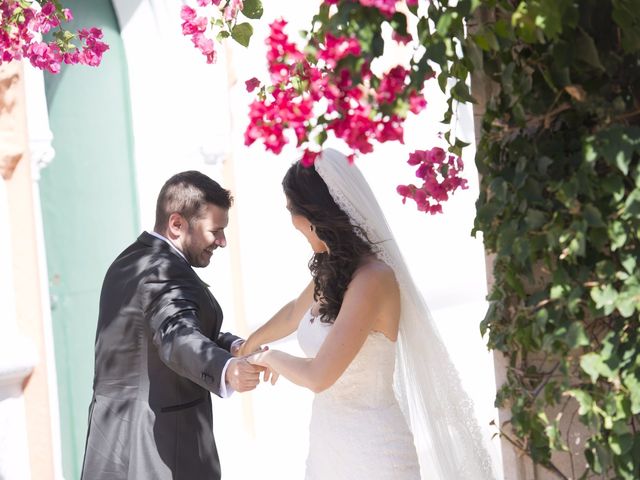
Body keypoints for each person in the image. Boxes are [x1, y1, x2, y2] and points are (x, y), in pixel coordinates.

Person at [241, 149, 495, 480]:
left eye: (291, 210)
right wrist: (250, 344)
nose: (290, 221)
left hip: (372, 454)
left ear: (314, 214)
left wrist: (269, 357)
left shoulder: (373, 279)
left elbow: (319, 375)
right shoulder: (332, 271)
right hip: (326, 446)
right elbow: (293, 313)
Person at [81, 171, 263, 480]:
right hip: (160, 450)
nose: (222, 241)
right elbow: (176, 336)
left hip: (110, 443)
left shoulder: (128, 261)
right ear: (177, 224)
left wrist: (232, 346)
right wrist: (226, 369)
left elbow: (165, 327)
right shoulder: (165, 272)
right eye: (215, 231)